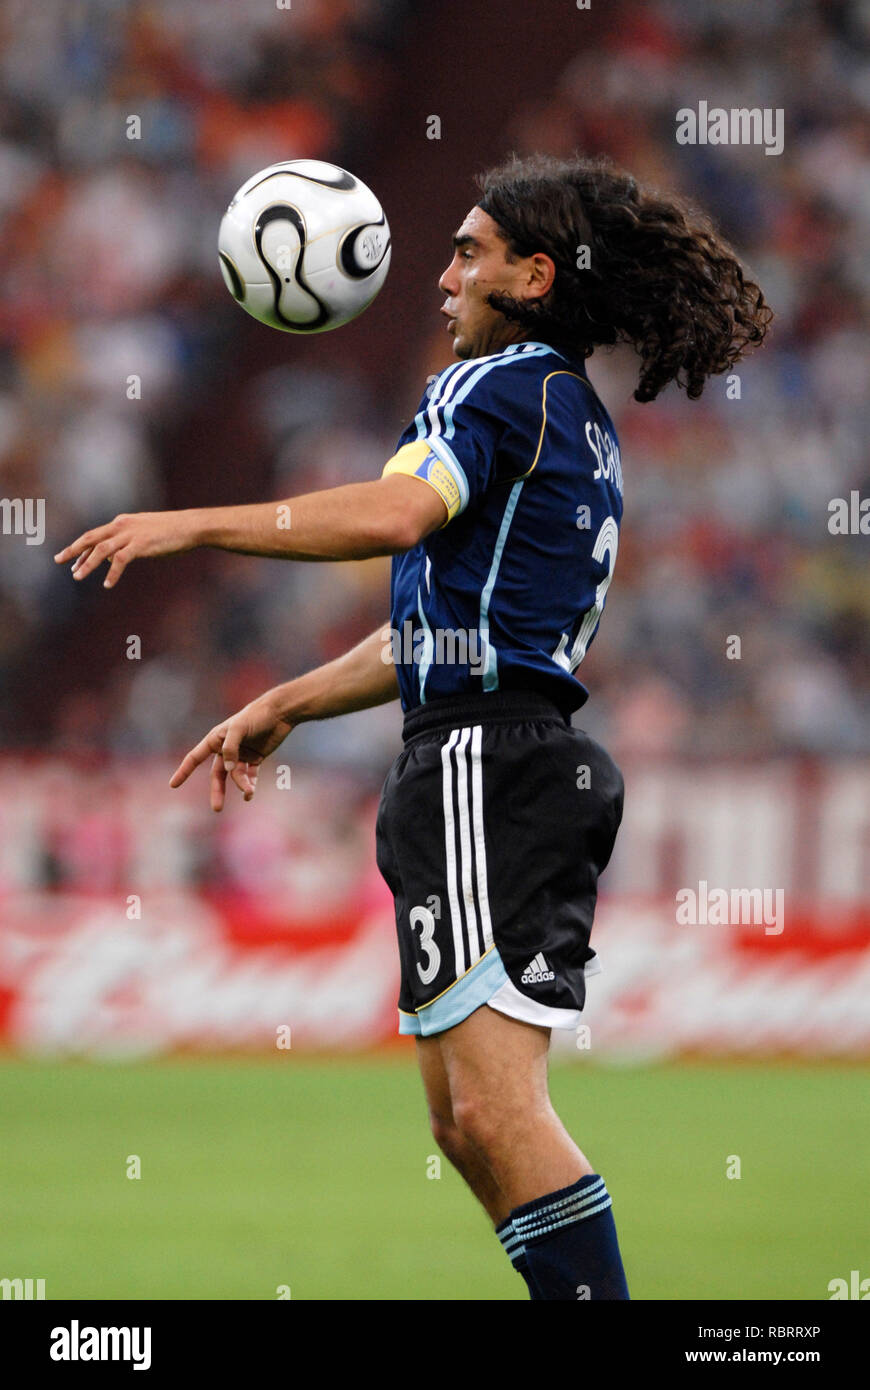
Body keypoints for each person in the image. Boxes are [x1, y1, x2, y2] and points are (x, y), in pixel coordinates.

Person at [54, 152, 772, 1300]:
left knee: (495, 1108)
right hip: (486, 751)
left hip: (491, 764)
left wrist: (189, 523)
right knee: (462, 1123)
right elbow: (435, 632)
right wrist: (286, 699)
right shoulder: (569, 415)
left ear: (534, 276)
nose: (440, 275)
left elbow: (398, 512)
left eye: (467, 252)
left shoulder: (492, 386)